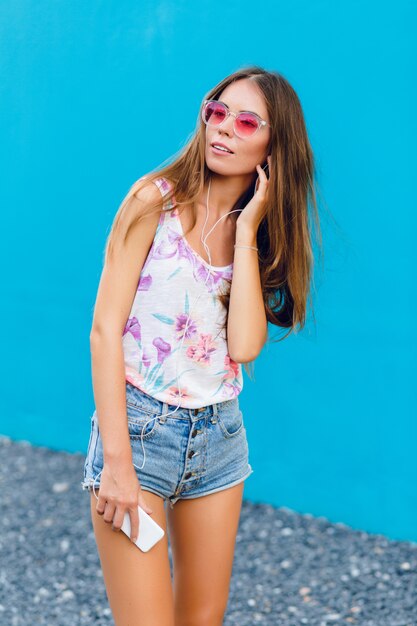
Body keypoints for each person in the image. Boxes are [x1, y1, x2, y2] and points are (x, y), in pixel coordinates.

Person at [81, 65, 321, 626]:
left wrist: (244, 233)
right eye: (217, 112)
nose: (223, 129)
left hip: (219, 440)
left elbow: (242, 346)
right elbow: (103, 330)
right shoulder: (152, 201)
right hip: (137, 438)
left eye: (245, 122)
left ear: (273, 146)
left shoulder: (257, 237)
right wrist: (116, 462)